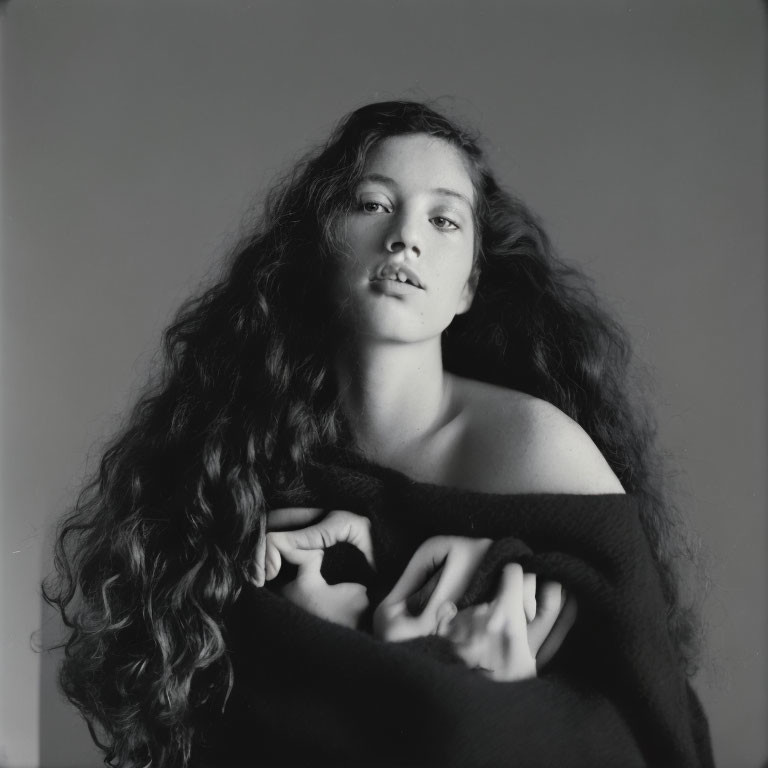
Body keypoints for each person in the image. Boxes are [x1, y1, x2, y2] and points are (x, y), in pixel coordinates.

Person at [43, 101, 710, 768]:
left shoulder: (534, 447)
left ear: (469, 286)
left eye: (444, 219)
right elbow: (215, 717)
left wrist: (436, 678)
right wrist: (347, 633)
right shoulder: (242, 451)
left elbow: (649, 723)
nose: (405, 238)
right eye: (371, 204)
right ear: (317, 245)